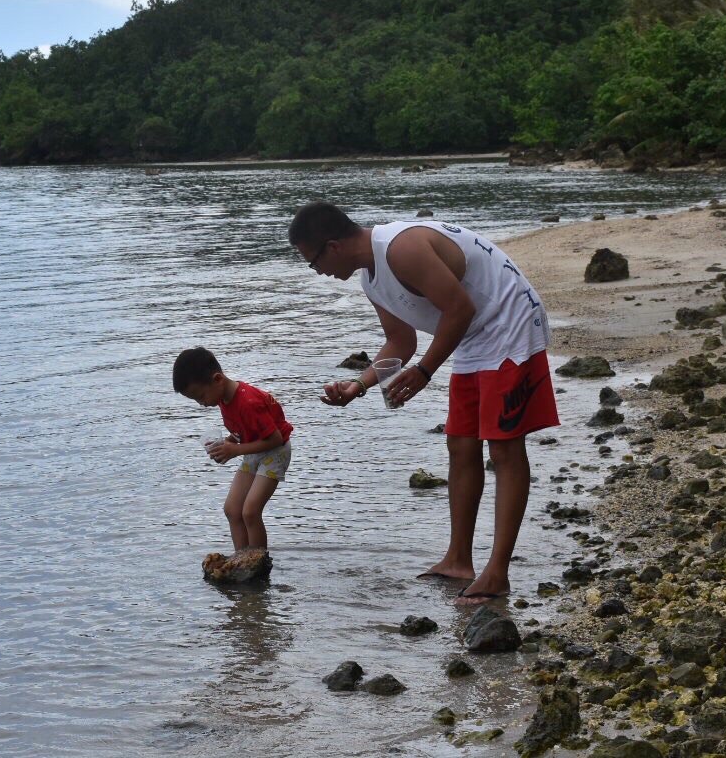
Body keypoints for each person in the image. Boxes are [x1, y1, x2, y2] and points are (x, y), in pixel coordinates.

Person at [287, 203, 558, 605]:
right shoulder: (371, 279)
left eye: (313, 262)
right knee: (461, 444)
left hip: (509, 321)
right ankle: (458, 560)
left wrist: (426, 371)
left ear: (333, 246)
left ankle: (497, 572)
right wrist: (357, 386)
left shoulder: (401, 248)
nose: (318, 272)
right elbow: (401, 342)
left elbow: (460, 308)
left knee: (503, 446)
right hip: (471, 334)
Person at [173, 346, 294, 554]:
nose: (201, 404)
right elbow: (242, 432)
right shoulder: (223, 398)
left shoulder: (248, 401)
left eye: (200, 396)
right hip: (254, 450)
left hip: (275, 452)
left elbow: (276, 438)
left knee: (250, 512)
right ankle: (241, 558)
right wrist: (227, 445)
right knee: (232, 510)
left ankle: (257, 563)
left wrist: (236, 450)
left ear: (217, 379)